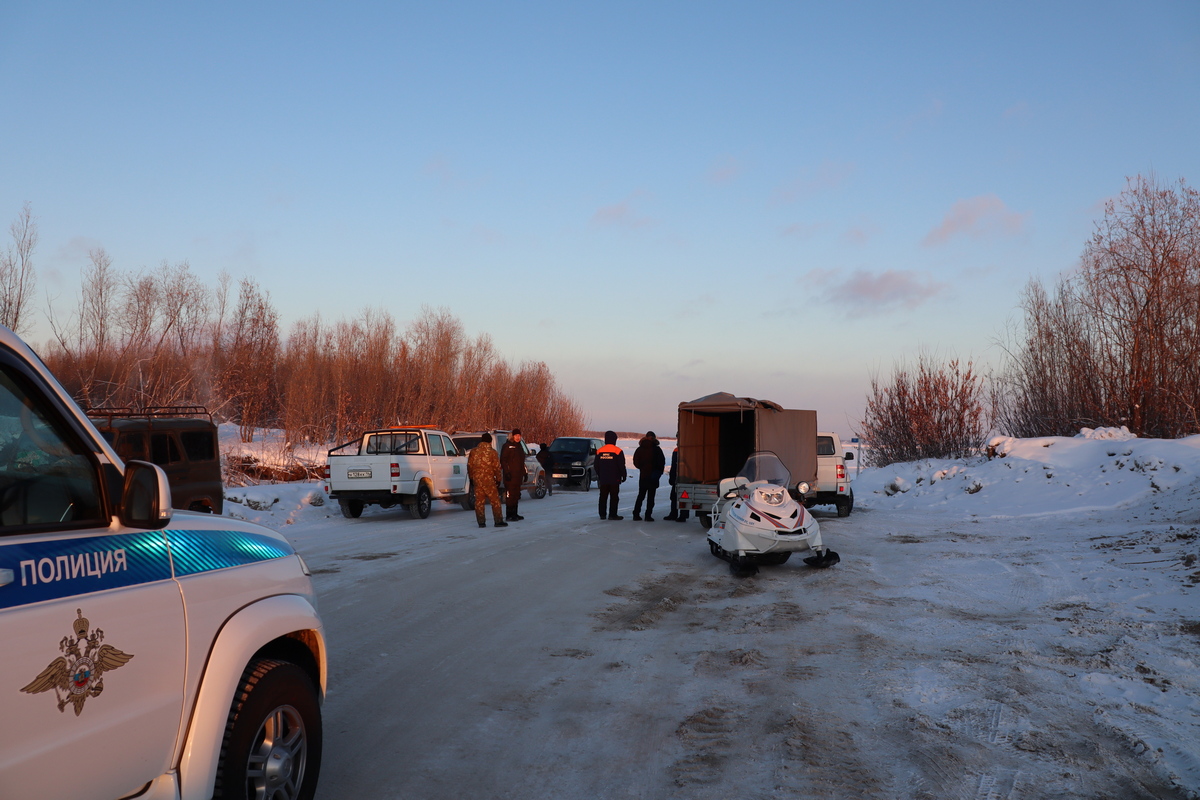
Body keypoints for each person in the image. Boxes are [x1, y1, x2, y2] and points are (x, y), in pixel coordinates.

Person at [467, 432, 507, 528]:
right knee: (495, 501)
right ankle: (498, 521)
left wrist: (471, 478)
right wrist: (498, 479)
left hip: (477, 480)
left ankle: (481, 522)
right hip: (489, 481)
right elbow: (496, 468)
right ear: (490, 441)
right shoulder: (493, 452)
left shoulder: (473, 452)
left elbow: (470, 466)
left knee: (479, 502)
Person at [632, 430, 665, 521]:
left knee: (641, 496)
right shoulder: (657, 449)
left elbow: (636, 462)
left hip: (643, 476)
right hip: (653, 476)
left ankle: (636, 514)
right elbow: (662, 462)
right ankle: (648, 515)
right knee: (651, 497)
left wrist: (642, 468)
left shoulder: (640, 449)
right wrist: (658, 472)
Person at [594, 430, 627, 520]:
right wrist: (623, 475)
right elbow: (621, 465)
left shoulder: (599, 451)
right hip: (615, 479)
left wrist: (600, 474)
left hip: (603, 478)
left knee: (603, 496)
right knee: (614, 497)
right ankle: (612, 514)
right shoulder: (618, 451)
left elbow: (596, 465)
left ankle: (602, 514)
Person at [500, 428, 527, 521]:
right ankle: (509, 515)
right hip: (510, 476)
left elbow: (521, 462)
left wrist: (524, 473)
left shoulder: (519, 446)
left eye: (519, 436)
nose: (518, 437)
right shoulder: (507, 446)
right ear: (512, 436)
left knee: (516, 495)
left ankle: (515, 513)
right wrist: (507, 472)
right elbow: (503, 460)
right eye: (516, 435)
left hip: (518, 476)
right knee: (510, 496)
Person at [665, 436, 689, 522]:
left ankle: (682, 515)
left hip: (685, 477)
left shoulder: (687, 450)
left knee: (684, 496)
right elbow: (673, 466)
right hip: (678, 477)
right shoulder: (676, 450)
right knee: (674, 496)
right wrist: (672, 477)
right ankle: (674, 514)